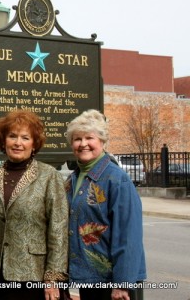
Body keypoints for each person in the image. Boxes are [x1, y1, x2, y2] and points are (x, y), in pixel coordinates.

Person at [0, 110, 68, 300]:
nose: (18, 143)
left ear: (34, 143)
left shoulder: (49, 176)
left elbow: (58, 230)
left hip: (32, 276)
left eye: (25, 137)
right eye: (12, 136)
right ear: (3, 141)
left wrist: (52, 279)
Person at [65, 109, 146, 300]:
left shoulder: (117, 180)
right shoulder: (73, 179)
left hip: (114, 283)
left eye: (89, 138)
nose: (83, 144)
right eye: (77, 139)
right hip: (90, 278)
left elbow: (128, 237)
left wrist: (122, 284)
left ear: (102, 141)